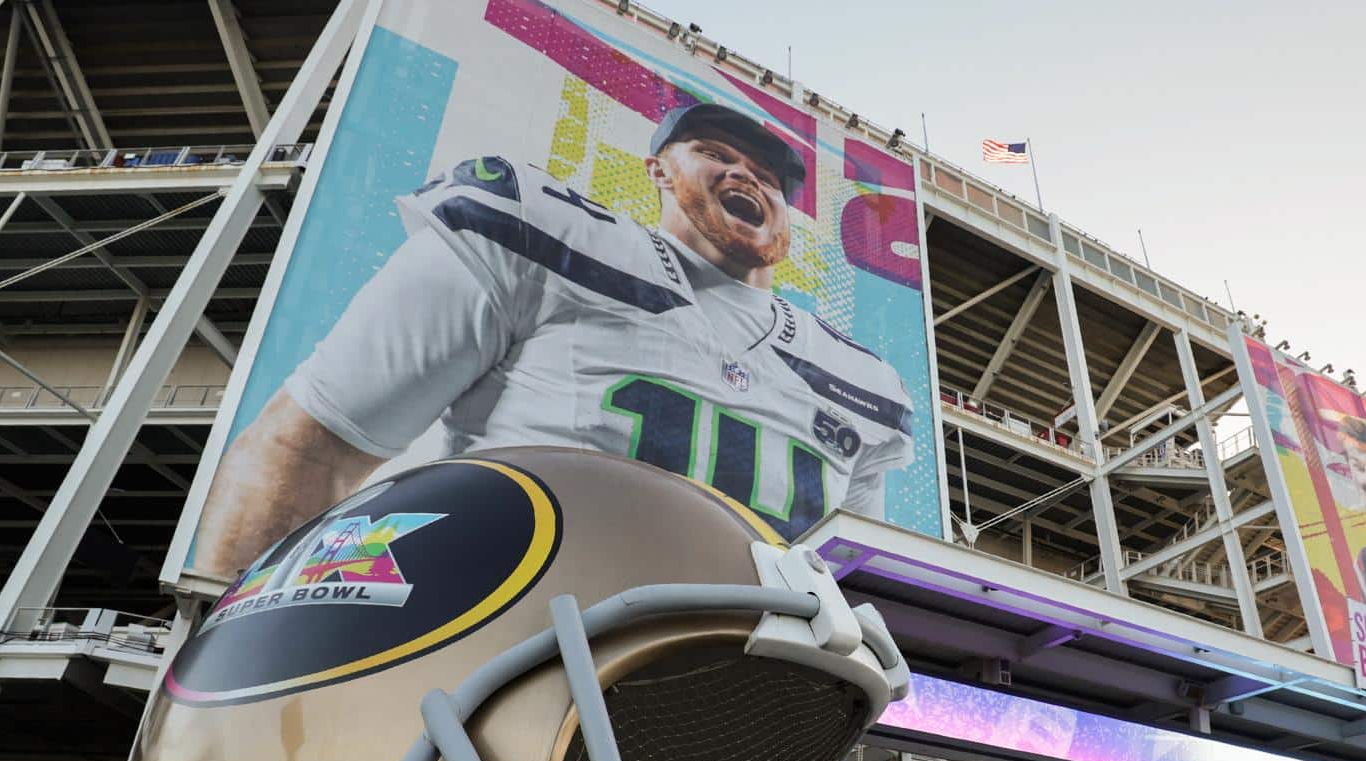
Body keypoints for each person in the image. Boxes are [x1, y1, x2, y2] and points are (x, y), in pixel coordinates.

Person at [195, 101, 917, 581]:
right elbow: (309, 447)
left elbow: (848, 584)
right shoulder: (537, 229)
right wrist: (240, 689)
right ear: (658, 168)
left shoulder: (861, 383)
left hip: (735, 724)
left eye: (765, 176)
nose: (744, 176)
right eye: (714, 153)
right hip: (503, 674)